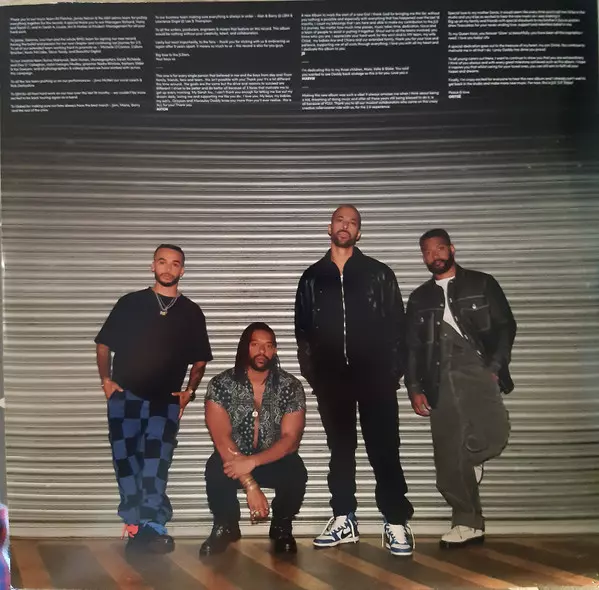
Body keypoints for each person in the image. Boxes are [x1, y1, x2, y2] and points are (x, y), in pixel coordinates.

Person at [294, 204, 414, 556]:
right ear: (329, 227)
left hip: (376, 377)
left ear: (359, 232)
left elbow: (398, 326)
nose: (345, 226)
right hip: (332, 379)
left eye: (352, 222)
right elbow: (303, 332)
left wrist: (391, 372)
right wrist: (317, 376)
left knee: (384, 449)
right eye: (340, 220)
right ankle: (344, 517)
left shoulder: (379, 273)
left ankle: (395, 521)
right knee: (340, 450)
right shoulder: (312, 277)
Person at [95, 244, 212, 553]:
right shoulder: (130, 303)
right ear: (152, 266)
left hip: (164, 402)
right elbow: (104, 345)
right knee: (126, 461)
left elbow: (200, 361)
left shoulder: (191, 312)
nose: (168, 268)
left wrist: (189, 392)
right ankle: (135, 524)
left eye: (174, 264)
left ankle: (153, 524)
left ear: (182, 270)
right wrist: (106, 380)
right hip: (125, 397)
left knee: (156, 463)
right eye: (162, 261)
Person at [406, 228, 516, 548]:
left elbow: (505, 325)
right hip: (438, 376)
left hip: (477, 368)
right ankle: (467, 522)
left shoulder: (482, 283)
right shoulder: (419, 297)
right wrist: (414, 387)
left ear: (452, 249)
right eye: (427, 252)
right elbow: (411, 347)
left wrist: (495, 367)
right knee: (446, 454)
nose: (434, 256)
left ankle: (470, 458)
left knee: (494, 435)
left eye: (439, 249)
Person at [200, 322, 307, 556]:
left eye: (268, 346)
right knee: (215, 468)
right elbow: (222, 439)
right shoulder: (221, 385)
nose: (262, 351)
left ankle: (281, 527)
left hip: (272, 458)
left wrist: (253, 462)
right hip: (233, 458)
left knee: (295, 470)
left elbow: (291, 439)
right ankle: (226, 525)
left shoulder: (290, 386)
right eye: (255, 345)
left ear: (275, 350)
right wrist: (250, 484)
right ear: (244, 348)